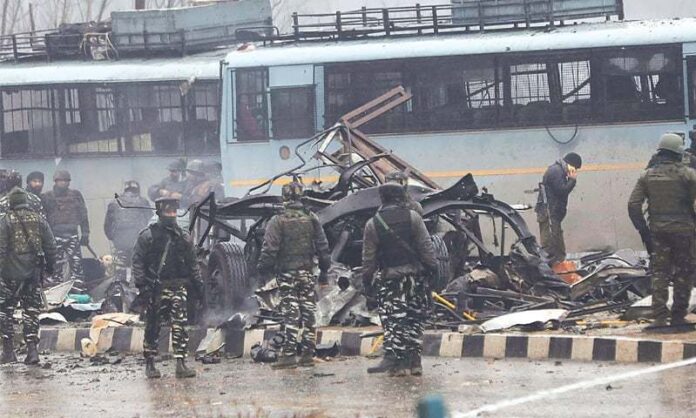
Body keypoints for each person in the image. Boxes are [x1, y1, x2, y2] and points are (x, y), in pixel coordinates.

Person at [362, 183, 437, 376]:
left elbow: (368, 260)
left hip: (391, 280)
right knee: (414, 319)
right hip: (415, 278)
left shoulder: (373, 223)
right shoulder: (414, 217)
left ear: (382, 198)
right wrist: (432, 271)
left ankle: (397, 363)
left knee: (395, 321)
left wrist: (367, 284)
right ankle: (415, 362)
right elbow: (426, 248)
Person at [256, 181, 331, 369]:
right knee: (308, 312)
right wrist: (324, 271)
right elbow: (323, 247)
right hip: (307, 272)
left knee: (291, 313)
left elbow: (270, 249)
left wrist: (262, 270)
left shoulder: (278, 221)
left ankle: (288, 355)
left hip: (287, 274)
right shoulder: (311, 218)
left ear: (285, 197)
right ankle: (307, 354)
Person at [628, 133, 696, 328]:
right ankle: (678, 316)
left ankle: (659, 317)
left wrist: (644, 231)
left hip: (658, 232)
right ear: (678, 152)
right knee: (684, 272)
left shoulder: (647, 176)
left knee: (660, 273)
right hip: (684, 231)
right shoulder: (688, 175)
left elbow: (633, 205)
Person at [132, 197, 202, 379]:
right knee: (153, 325)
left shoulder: (183, 237)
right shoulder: (148, 236)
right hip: (156, 289)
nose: (171, 214)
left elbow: (193, 264)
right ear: (159, 212)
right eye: (167, 211)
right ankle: (150, 363)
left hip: (178, 286)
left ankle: (181, 363)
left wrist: (199, 288)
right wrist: (142, 287)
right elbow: (138, 262)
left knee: (180, 326)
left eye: (173, 211)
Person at [0, 188, 56, 365]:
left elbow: (1, 249)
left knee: (5, 311)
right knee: (31, 312)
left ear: (11, 203)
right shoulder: (39, 219)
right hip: (33, 275)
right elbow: (51, 246)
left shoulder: (5, 221)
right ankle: (32, 351)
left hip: (9, 275)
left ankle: (8, 351)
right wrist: (50, 268)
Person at [41, 170, 89, 290]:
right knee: (55, 268)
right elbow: (43, 218)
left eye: (66, 180)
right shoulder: (47, 197)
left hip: (72, 235)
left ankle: (79, 290)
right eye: (61, 180)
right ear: (55, 181)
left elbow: (83, 215)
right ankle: (56, 292)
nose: (63, 183)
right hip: (54, 236)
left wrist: (85, 233)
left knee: (77, 267)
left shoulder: (76, 195)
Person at [535, 152, 582, 265]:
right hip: (549, 214)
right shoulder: (556, 171)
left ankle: (560, 266)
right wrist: (572, 180)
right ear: (571, 165)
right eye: (575, 169)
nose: (575, 171)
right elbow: (561, 191)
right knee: (550, 245)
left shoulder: (558, 171)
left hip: (552, 214)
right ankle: (551, 269)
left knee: (557, 244)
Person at [104, 180, 152, 283]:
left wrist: (113, 237)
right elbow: (150, 221)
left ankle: (120, 289)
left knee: (120, 268)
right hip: (138, 241)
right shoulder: (143, 202)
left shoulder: (114, 202)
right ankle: (137, 289)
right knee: (138, 268)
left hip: (120, 242)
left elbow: (107, 225)